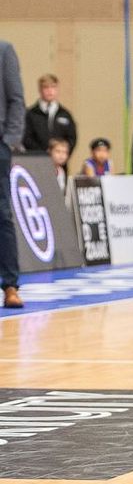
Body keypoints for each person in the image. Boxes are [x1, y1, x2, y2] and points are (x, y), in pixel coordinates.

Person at [0, 40, 24, 309]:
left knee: (3, 215)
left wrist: (9, 141)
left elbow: (16, 99)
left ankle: (10, 286)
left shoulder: (4, 50)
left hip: (0, 145)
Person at [24, 73, 77, 158]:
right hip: (37, 159)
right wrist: (44, 153)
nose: (50, 91)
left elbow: (72, 138)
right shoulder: (31, 114)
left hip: (61, 161)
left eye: (53, 87)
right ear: (40, 90)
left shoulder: (65, 114)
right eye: (46, 87)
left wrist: (61, 153)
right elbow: (26, 138)